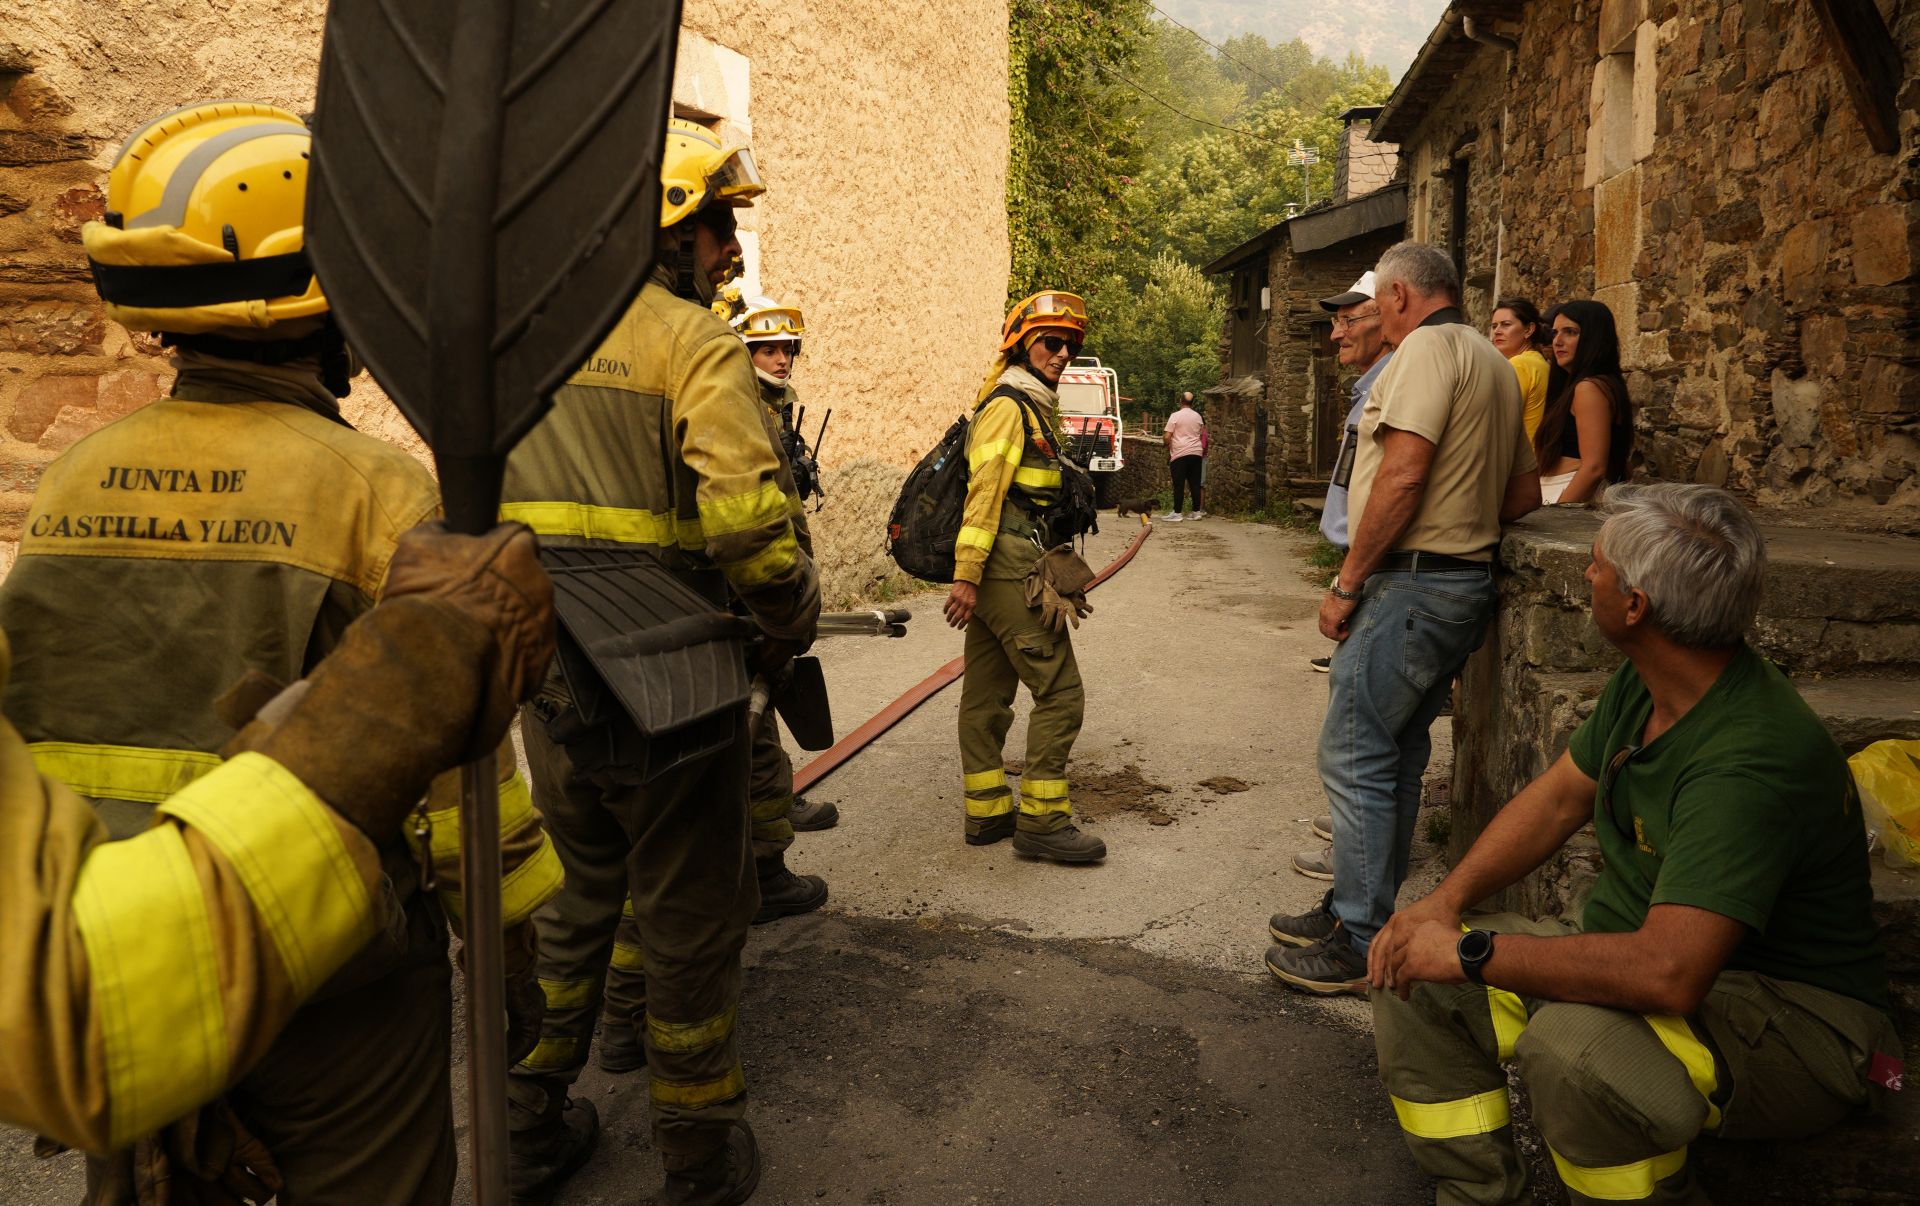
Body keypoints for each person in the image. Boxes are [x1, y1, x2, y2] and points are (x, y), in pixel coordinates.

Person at [0, 102, 561, 1203]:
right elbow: (456, 769)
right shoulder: (376, 490)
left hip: (112, 947)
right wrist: (508, 954)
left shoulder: (75, 474)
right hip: (325, 981)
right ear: (338, 302)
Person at [1368, 484, 1904, 1205]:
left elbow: (1667, 974)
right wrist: (1442, 907)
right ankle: (1478, 1194)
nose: (1585, 576)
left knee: (1575, 1053)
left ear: (1635, 606)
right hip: (1645, 951)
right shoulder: (1654, 683)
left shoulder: (1749, 762)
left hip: (1792, 1021)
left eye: (1597, 567)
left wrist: (1470, 951)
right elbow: (1560, 797)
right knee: (1413, 973)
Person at [0, 520, 556, 1165]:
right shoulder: (372, 492)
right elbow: (69, 1015)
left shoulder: (68, 486)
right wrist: (506, 943)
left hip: (125, 889)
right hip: (344, 968)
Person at [500, 116, 820, 1205]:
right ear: (662, 234)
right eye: (717, 226)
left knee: (576, 898)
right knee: (689, 923)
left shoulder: (526, 339)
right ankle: (697, 1153)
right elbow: (746, 524)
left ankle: (529, 1120)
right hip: (673, 689)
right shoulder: (695, 346)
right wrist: (791, 613)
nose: (731, 249)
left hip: (552, 686)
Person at [1266, 241, 1540, 995]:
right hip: (1461, 587)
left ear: (1397, 295)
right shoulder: (1491, 360)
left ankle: (1358, 938)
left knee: (1353, 756)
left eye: (1378, 302)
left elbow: (1406, 469)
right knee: (1398, 753)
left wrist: (1348, 582)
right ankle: (1361, 913)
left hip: (1411, 587)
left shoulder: (1422, 350)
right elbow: (1523, 498)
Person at [595, 291, 834, 1078]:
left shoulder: (744, 395)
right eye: (769, 350)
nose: (780, 360)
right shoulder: (714, 383)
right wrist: (783, 606)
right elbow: (737, 518)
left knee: (717, 801)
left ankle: (629, 1015)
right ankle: (648, 1030)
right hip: (718, 627)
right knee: (682, 851)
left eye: (787, 351)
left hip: (685, 629)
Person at [944, 291, 1106, 863]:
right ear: (1021, 345)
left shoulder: (1030, 403)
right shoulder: (1009, 407)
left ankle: (987, 813)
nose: (1062, 353)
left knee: (987, 695)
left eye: (1070, 345)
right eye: (1050, 342)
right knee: (1061, 694)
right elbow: (983, 493)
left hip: (1005, 563)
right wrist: (967, 576)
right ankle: (1042, 820)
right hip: (1006, 567)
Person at [1295, 270, 1393, 878]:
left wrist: (1349, 583)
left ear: (1388, 314)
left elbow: (1398, 485)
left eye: (1348, 320)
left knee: (1356, 734)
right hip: (1369, 564)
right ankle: (1362, 839)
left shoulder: (1394, 381)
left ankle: (1354, 871)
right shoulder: (1373, 383)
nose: (1336, 334)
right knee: (1374, 728)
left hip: (1378, 571)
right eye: (1336, 321)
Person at [1536, 298, 1634, 504]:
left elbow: (1594, 468)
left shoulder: (1589, 388)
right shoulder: (1578, 386)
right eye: (1555, 332)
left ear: (1594, 338)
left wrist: (1555, 514)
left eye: (1570, 332)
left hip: (1569, 493)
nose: (1557, 341)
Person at [1488, 297, 1551, 442]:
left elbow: (1498, 420)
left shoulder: (1520, 364)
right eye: (1494, 326)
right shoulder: (1539, 361)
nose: (1497, 331)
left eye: (1506, 324)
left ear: (1528, 330)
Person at [1162, 391, 1207, 520]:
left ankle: (1177, 512)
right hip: (1196, 453)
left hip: (1180, 453)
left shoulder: (1175, 416)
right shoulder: (1198, 416)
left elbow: (1167, 436)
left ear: (1180, 401)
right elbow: (1199, 434)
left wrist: (1167, 444)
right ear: (1193, 403)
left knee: (1179, 484)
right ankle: (1196, 512)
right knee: (1195, 483)